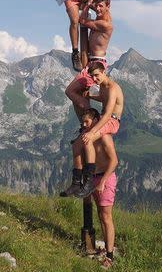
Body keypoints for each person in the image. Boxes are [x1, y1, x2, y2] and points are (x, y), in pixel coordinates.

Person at [60, 107, 119, 269]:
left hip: (104, 178)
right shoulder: (86, 138)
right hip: (92, 177)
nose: (84, 124)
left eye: (87, 121)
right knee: (101, 215)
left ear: (95, 121)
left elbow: (114, 161)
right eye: (82, 122)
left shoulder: (105, 137)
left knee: (106, 216)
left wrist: (102, 181)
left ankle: (110, 256)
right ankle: (105, 248)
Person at [65, 0, 113, 120]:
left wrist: (88, 3)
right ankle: (88, 117)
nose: (97, 9)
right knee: (82, 92)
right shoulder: (101, 18)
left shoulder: (105, 24)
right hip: (92, 61)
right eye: (96, 6)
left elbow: (82, 20)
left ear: (108, 7)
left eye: (101, 6)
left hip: (96, 63)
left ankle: (91, 115)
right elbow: (98, 1)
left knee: (70, 91)